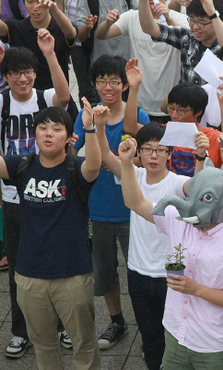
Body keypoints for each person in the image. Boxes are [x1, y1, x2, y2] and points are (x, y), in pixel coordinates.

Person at [118, 137, 223, 369]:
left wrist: (196, 289)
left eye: (205, 199)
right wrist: (125, 163)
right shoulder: (179, 220)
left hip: (214, 345)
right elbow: (136, 202)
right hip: (175, 333)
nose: (190, 204)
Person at [0, 102, 101, 369]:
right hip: (29, 275)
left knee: (84, 345)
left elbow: (94, 165)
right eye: (42, 128)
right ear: (35, 135)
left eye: (57, 129)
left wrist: (90, 128)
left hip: (73, 274)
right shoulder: (22, 165)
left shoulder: (74, 167)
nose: (48, 133)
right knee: (43, 345)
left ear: (68, 138)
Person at [97, 121, 203, 369]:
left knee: (176, 337)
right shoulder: (135, 175)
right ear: (139, 152)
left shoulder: (177, 183)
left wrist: (200, 157)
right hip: (137, 272)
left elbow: (198, 190)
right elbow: (105, 156)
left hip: (171, 275)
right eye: (148, 149)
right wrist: (99, 127)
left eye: (161, 150)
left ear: (170, 153)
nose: (154, 155)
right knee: (150, 337)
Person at [71, 54, 150, 351]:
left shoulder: (137, 115)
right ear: (94, 84)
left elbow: (138, 142)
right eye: (102, 81)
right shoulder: (86, 115)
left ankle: (147, 326)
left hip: (133, 210)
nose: (108, 87)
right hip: (99, 209)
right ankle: (117, 320)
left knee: (139, 272)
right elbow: (75, 150)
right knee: (104, 271)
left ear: (124, 85)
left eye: (114, 81)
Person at [0, 32, 71, 359]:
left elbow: (65, 93)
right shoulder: (2, 102)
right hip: (13, 198)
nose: (22, 78)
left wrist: (50, 54)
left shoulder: (43, 98)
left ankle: (59, 326)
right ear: (6, 77)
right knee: (18, 268)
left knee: (54, 264)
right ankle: (20, 331)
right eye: (15, 73)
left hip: (49, 194)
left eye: (28, 71)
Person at [94, 0, 188, 121]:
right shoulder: (131, 16)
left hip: (170, 105)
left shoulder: (180, 18)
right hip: (140, 103)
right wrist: (107, 23)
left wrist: (169, 18)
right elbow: (101, 35)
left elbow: (189, 40)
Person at [138, 0, 223, 85]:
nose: (195, 27)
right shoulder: (187, 37)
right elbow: (149, 28)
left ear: (220, 21)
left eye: (202, 22)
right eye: (192, 20)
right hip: (186, 101)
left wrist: (212, 13)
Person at [0, 0, 76, 90]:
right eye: (30, 2)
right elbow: (3, 29)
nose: (35, 7)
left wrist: (55, 10)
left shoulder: (60, 27)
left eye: (41, 3)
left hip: (56, 93)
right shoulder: (17, 27)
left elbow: (71, 33)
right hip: (26, 93)